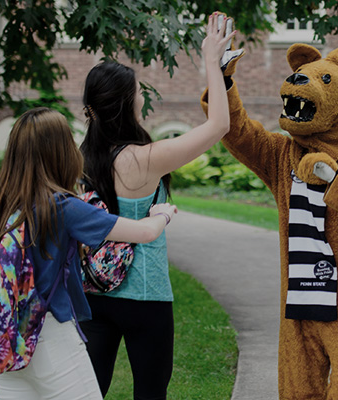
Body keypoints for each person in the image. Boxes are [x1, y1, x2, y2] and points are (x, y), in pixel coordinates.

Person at [0, 107, 177, 400]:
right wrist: (162, 214)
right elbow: (143, 233)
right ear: (60, 151)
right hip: (50, 334)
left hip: (2, 331)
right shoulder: (62, 206)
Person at [78, 13, 235, 399]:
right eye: (136, 91)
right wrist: (211, 63)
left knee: (85, 392)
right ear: (128, 102)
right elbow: (218, 126)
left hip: (92, 293)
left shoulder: (78, 159)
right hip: (146, 297)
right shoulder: (144, 159)